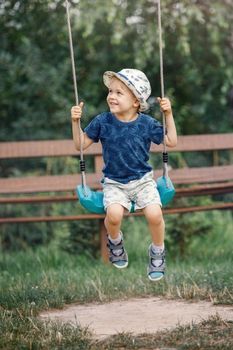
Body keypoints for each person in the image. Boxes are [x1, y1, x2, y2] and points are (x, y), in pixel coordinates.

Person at [71, 68, 177, 281]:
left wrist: (169, 114)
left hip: (143, 181)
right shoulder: (102, 121)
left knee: (155, 214)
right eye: (110, 91)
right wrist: (75, 122)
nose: (111, 96)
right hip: (114, 183)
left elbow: (171, 141)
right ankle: (115, 241)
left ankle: (157, 251)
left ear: (136, 101)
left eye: (119, 93)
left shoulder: (146, 124)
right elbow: (80, 145)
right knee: (114, 216)